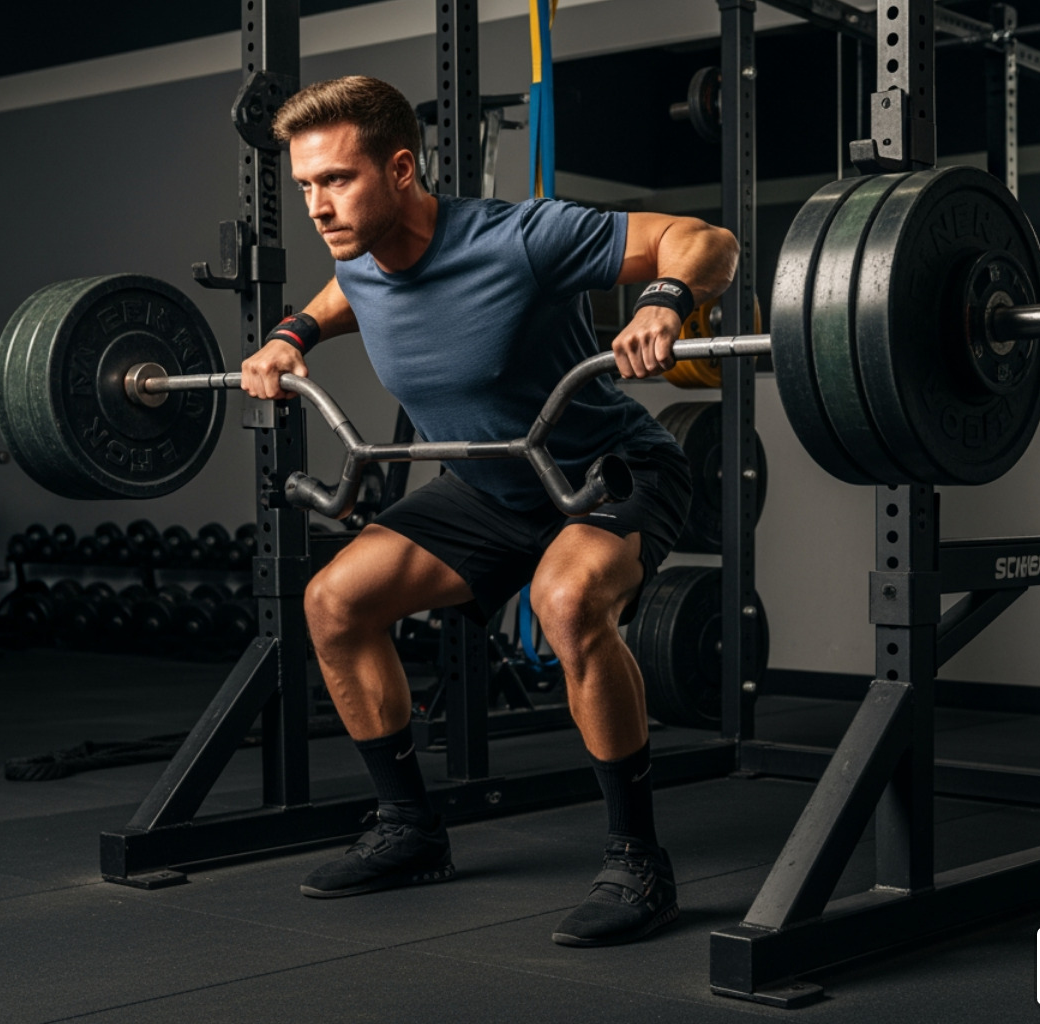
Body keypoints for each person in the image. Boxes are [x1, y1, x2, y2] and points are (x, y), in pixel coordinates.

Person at [240, 75, 737, 947]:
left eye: (339, 181)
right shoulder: (360, 253)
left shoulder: (521, 237)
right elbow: (344, 291)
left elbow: (706, 240)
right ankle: (409, 828)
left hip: (608, 470)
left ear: (401, 169)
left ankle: (637, 858)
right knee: (333, 602)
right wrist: (291, 336)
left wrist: (665, 298)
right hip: (493, 489)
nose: (319, 206)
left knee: (567, 601)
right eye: (307, 185)